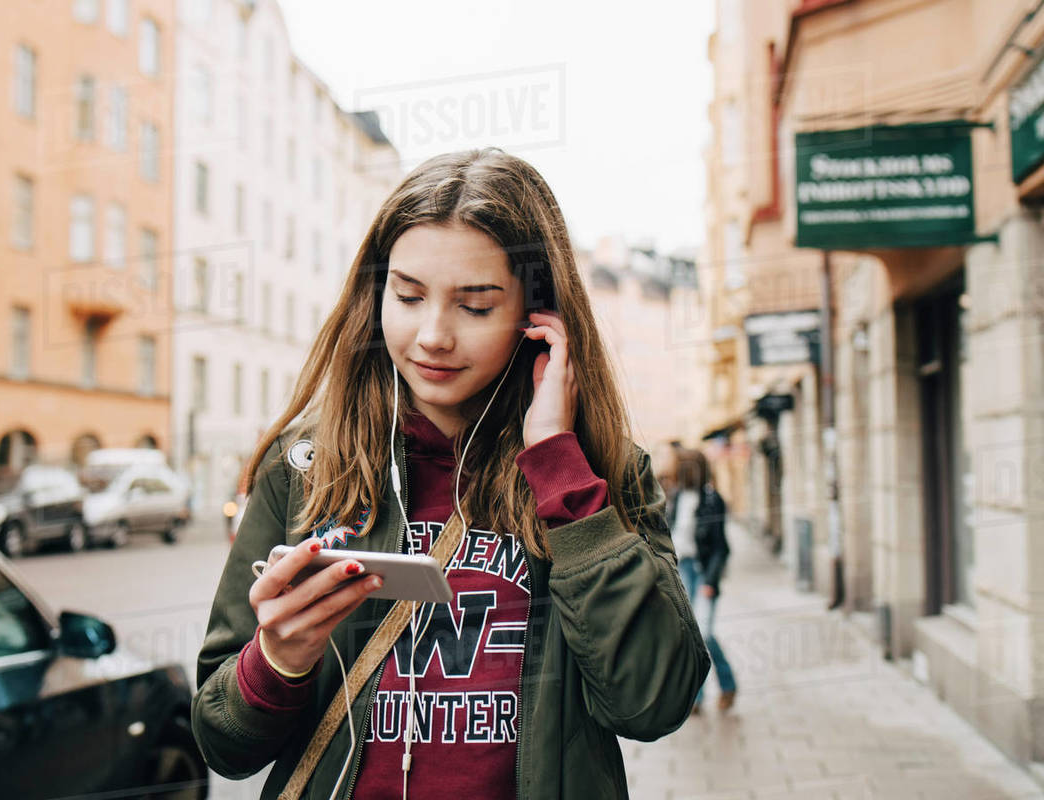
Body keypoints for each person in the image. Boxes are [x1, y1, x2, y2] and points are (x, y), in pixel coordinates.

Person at [191, 148, 710, 800]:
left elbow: (652, 702)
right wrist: (278, 661)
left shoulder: (598, 473)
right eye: (408, 295)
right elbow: (221, 745)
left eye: (475, 306)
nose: (433, 335)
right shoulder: (304, 471)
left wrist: (556, 467)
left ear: (537, 315)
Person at [666, 448, 736, 714]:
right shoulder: (676, 497)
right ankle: (695, 699)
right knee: (689, 635)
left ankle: (728, 685)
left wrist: (711, 580)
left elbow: (721, 547)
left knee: (704, 633)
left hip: (702, 571)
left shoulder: (712, 499)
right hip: (682, 570)